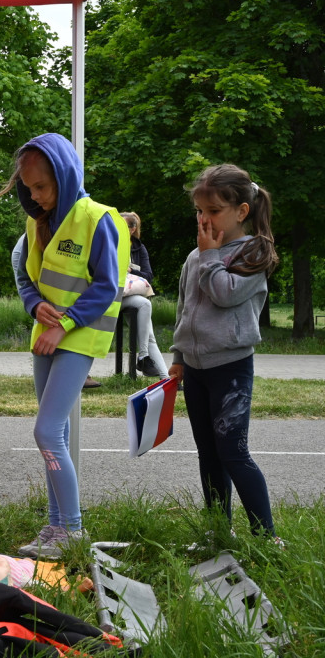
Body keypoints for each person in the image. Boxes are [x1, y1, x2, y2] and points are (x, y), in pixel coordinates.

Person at [0, 134, 129, 558]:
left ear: (66, 175)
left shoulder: (98, 219)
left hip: (78, 338)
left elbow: (108, 287)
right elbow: (28, 278)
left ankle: (72, 531)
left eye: (42, 187)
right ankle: (55, 527)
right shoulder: (38, 221)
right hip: (48, 336)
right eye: (29, 188)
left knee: (46, 431)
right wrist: (35, 305)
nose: (35, 197)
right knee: (53, 434)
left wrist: (66, 323)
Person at [169, 164, 281, 544]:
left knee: (233, 453)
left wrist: (210, 257)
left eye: (213, 211)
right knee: (208, 454)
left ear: (241, 212)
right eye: (199, 211)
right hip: (196, 370)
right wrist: (179, 357)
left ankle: (267, 538)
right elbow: (186, 310)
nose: (204, 219)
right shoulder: (196, 256)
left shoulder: (255, 253)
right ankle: (219, 531)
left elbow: (224, 293)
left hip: (230, 368)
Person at [120, 211, 169, 379]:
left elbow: (148, 276)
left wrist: (131, 270)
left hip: (129, 295)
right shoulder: (110, 243)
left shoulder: (139, 248)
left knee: (148, 332)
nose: (115, 228)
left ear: (132, 229)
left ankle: (164, 377)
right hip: (110, 297)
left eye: (122, 225)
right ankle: (145, 360)